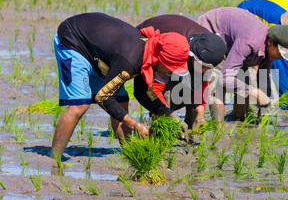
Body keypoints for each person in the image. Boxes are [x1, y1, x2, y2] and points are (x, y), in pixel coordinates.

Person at [51, 12, 190, 160]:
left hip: (99, 50)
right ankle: (54, 160)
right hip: (73, 40)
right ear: (160, 58)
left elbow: (142, 93)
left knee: (121, 102)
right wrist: (135, 124)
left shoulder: (149, 53)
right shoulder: (131, 60)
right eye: (171, 67)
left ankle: (132, 156)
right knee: (80, 105)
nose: (171, 72)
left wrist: (171, 115)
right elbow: (103, 97)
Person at [197, 7, 288, 121]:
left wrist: (266, 106)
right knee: (219, 85)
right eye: (281, 53)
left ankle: (239, 120)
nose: (281, 57)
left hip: (236, 40)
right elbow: (225, 78)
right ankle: (219, 132)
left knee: (243, 82)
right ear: (270, 42)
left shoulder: (268, 50)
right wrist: (255, 92)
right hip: (213, 30)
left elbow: (263, 76)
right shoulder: (250, 42)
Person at [135, 14, 227, 129]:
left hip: (183, 47)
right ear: (193, 57)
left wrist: (200, 114)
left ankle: (189, 131)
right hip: (142, 47)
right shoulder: (173, 51)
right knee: (164, 95)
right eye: (203, 67)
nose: (204, 71)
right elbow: (156, 89)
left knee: (194, 83)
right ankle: (160, 138)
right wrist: (170, 116)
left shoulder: (208, 48)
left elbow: (202, 86)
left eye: (207, 68)